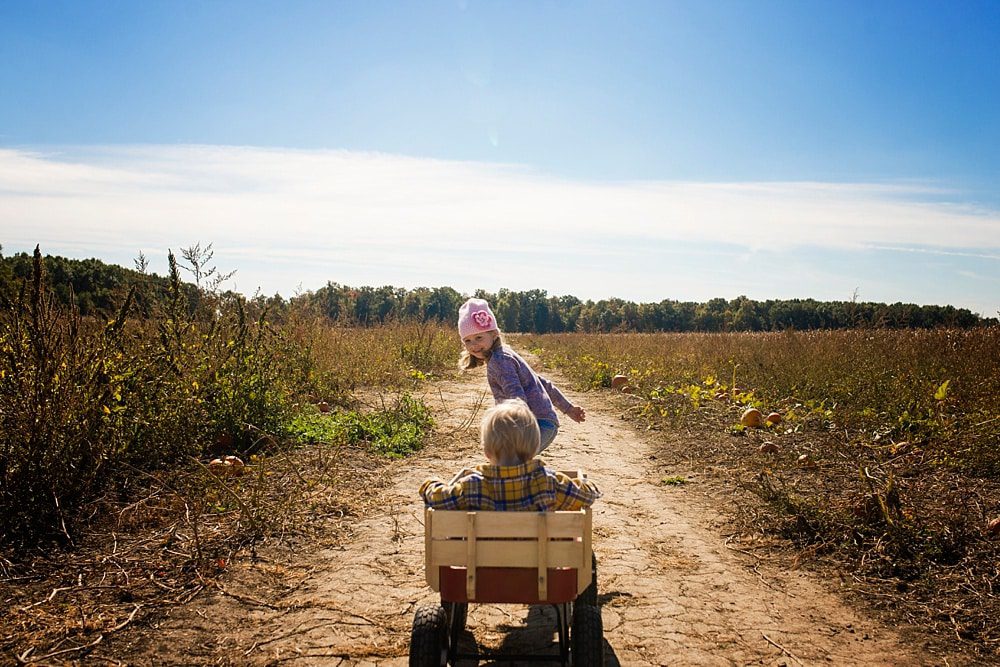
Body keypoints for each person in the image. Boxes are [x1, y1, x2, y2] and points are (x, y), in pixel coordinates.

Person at [419, 399, 600, 511]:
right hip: (539, 564)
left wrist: (430, 483)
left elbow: (437, 498)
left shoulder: (472, 486)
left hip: (482, 567)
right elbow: (588, 496)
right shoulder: (549, 483)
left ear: (486, 451)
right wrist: (586, 483)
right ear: (535, 448)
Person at [457, 298, 585, 454]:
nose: (473, 345)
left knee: (507, 462)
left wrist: (509, 430)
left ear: (494, 334)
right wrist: (568, 408)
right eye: (467, 340)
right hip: (543, 423)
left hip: (534, 425)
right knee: (509, 465)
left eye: (479, 338)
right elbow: (542, 383)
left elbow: (516, 397)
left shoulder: (500, 360)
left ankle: (536, 477)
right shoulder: (505, 354)